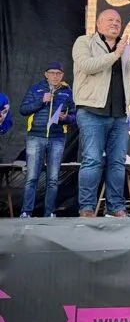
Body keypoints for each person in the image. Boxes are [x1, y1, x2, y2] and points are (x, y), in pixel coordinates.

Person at [72, 9, 130, 218]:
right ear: (98, 24)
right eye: (110, 20)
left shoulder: (125, 46)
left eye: (118, 21)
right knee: (92, 160)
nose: (115, 24)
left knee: (117, 163)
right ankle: (87, 208)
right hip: (92, 111)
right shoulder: (84, 42)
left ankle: (115, 207)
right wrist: (116, 54)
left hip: (120, 115)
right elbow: (87, 66)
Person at [18, 62, 76, 217]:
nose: (55, 76)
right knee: (32, 177)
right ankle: (26, 211)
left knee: (52, 178)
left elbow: (75, 116)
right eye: (52, 73)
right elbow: (23, 110)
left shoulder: (67, 92)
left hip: (57, 138)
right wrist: (41, 100)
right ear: (46, 74)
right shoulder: (36, 89)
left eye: (58, 73)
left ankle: (49, 212)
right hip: (35, 137)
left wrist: (66, 118)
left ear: (62, 75)